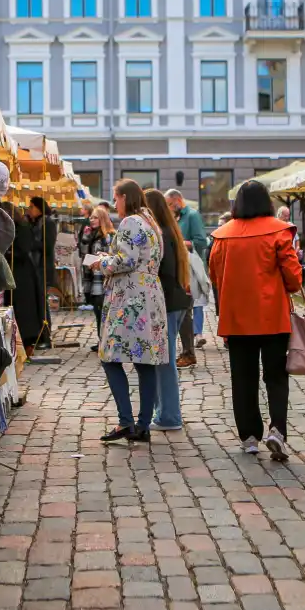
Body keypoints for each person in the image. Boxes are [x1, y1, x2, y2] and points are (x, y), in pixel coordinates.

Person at [209, 180, 302, 460]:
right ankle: (278, 430)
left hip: (237, 319)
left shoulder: (222, 236)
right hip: (272, 317)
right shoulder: (279, 232)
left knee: (243, 378)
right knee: (275, 376)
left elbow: (216, 275)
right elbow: (294, 279)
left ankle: (249, 435)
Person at [93, 179, 168, 445]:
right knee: (144, 362)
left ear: (126, 197)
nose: (114, 204)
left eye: (115, 198)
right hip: (150, 295)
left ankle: (126, 421)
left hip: (131, 299)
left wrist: (102, 262)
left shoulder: (130, 222)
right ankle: (143, 424)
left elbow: (126, 260)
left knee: (109, 356)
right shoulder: (152, 223)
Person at [146, 188, 191, 428]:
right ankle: (164, 412)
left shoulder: (161, 234)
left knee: (164, 361)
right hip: (175, 301)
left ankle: (169, 416)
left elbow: (164, 273)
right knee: (162, 360)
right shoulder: (169, 231)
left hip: (168, 303)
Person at [164, 190, 204, 367]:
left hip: (190, 269)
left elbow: (202, 242)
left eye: (170, 205)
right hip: (180, 269)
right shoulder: (178, 217)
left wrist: (181, 242)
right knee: (183, 310)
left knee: (186, 311)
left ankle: (188, 353)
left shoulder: (193, 215)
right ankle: (187, 352)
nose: (170, 209)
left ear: (178, 200)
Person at [9, 202, 45, 351]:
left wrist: (9, 253)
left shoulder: (23, 228)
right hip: (20, 272)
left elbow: (23, 250)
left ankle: (26, 341)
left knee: (25, 310)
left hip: (23, 274)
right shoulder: (21, 227)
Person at [81, 206, 115, 351]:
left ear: (102, 219)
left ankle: (106, 342)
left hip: (101, 279)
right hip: (92, 276)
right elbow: (82, 253)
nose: (92, 220)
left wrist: (99, 259)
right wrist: (85, 237)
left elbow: (110, 256)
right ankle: (102, 340)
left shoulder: (108, 236)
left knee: (103, 312)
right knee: (97, 310)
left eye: (95, 217)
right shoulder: (92, 234)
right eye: (91, 217)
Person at [28, 197, 58, 349]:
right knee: (40, 302)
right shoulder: (37, 222)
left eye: (32, 206)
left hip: (43, 268)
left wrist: (29, 243)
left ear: (39, 208)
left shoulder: (48, 222)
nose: (29, 209)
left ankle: (45, 336)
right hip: (37, 267)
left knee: (43, 303)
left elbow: (47, 245)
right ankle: (41, 335)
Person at [186, 241, 212, 349]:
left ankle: (191, 336)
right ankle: (198, 335)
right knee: (197, 311)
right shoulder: (194, 258)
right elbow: (202, 276)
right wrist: (206, 290)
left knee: (186, 315)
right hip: (196, 290)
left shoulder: (179, 258)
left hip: (185, 290)